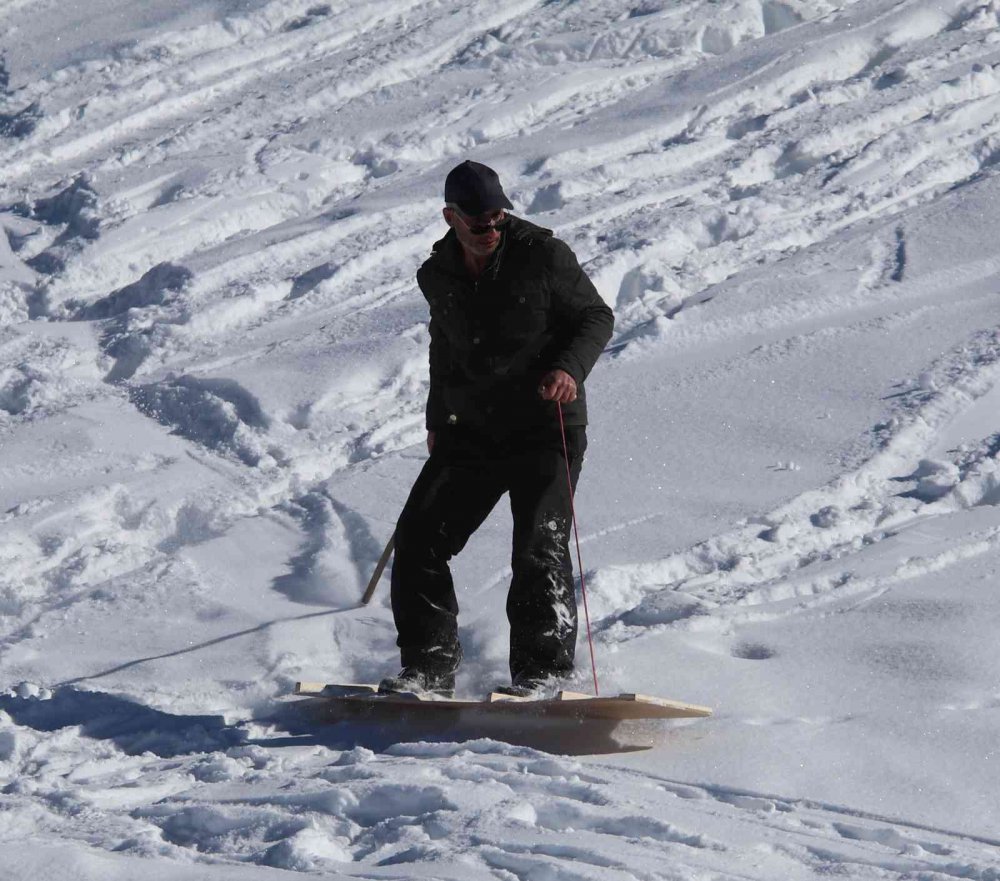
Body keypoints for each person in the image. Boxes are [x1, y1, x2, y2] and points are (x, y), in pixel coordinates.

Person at [379, 160, 614, 698]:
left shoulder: (544, 256)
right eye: (477, 220)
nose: (489, 229)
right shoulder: (435, 274)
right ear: (450, 217)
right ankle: (427, 670)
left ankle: (543, 676)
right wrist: (439, 418)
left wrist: (568, 368)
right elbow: (444, 347)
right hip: (474, 430)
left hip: (544, 425)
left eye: (496, 217)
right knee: (418, 540)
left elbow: (596, 316)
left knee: (538, 546)